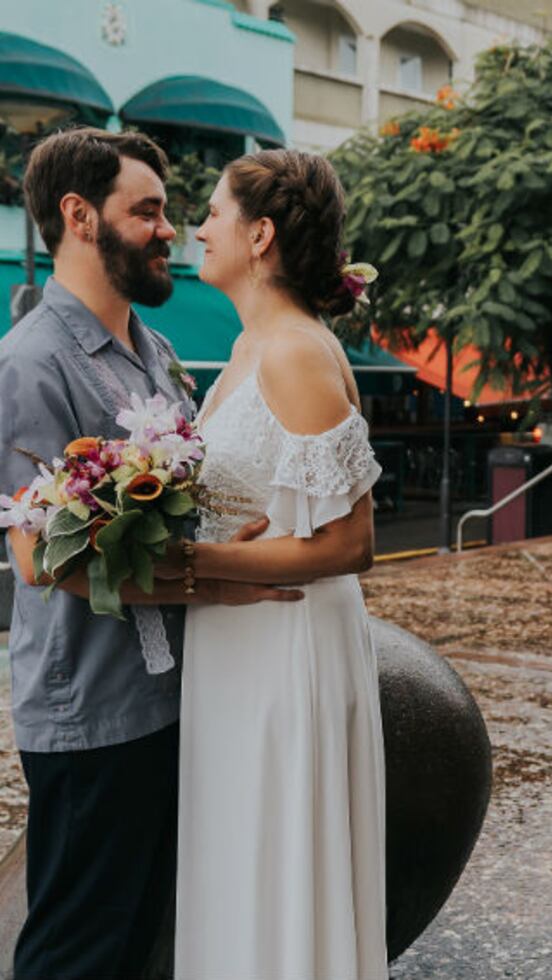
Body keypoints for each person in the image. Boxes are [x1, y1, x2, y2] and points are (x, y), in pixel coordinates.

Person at [0, 127, 305, 979]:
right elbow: (39, 560)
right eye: (148, 212)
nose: (170, 229)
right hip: (92, 709)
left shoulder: (158, 354)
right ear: (79, 216)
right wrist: (224, 582)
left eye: (171, 213)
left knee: (143, 945)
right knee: (78, 949)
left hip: (176, 695)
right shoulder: (27, 367)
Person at [167, 149, 387, 978]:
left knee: (280, 863)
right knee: (236, 866)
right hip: (234, 644)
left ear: (259, 235)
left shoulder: (295, 350)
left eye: (213, 212)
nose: (198, 228)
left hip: (285, 645)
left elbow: (351, 541)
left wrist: (200, 561)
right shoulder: (246, 347)